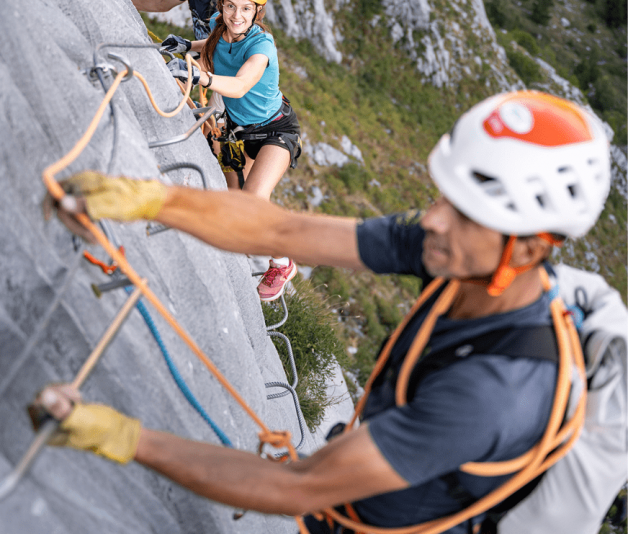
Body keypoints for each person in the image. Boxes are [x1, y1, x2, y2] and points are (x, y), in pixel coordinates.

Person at [38, 91, 611, 534]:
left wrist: (122, 437)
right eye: (446, 198)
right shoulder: (458, 255)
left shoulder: (492, 396)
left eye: (468, 214)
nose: (434, 219)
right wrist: (151, 199)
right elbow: (285, 229)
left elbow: (298, 486)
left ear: (531, 249)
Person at [167, 0, 303, 301]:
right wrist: (187, 45)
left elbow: (241, 85)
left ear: (257, 11)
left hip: (276, 131)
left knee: (256, 199)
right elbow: (212, 44)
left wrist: (201, 78)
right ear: (221, 4)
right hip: (239, 132)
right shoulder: (217, 26)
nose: (236, 15)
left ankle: (283, 263)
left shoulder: (262, 47)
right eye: (230, 6)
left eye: (245, 9)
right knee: (240, 203)